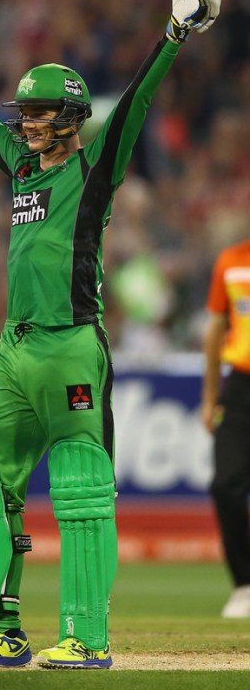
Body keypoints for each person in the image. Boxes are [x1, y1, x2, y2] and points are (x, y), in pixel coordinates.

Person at [0, 0, 222, 668]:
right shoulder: (22, 167)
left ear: (70, 120)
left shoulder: (93, 171)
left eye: (39, 115)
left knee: (80, 490)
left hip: (73, 346)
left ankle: (87, 640)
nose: (27, 124)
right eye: (27, 116)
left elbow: (133, 107)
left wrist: (173, 34)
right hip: (14, 351)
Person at [201, 238, 250, 619]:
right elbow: (216, 329)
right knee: (225, 484)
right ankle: (244, 586)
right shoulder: (231, 261)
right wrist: (209, 397)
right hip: (241, 387)